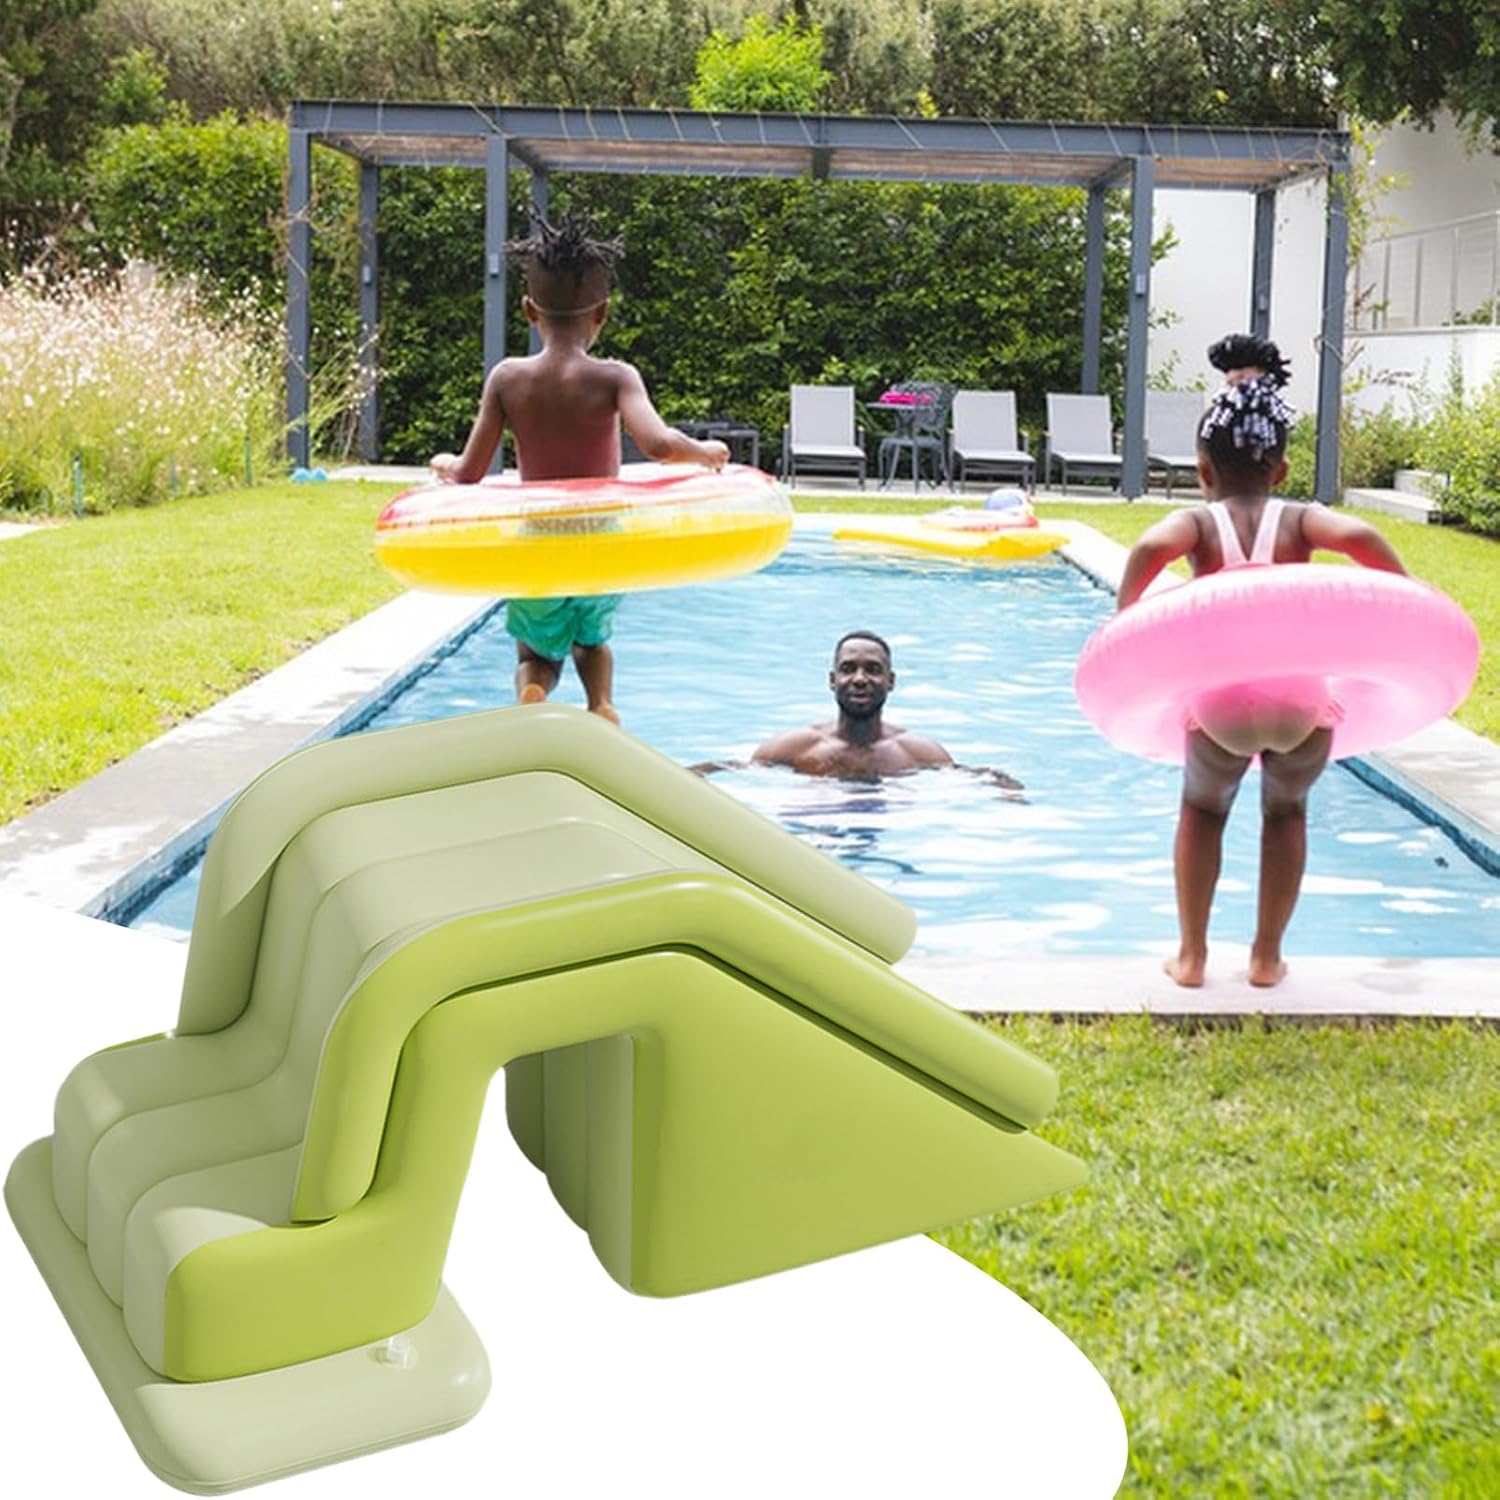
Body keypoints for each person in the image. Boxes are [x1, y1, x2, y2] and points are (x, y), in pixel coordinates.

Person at [1116, 334, 1408, 990]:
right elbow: (1362, 536)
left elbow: (1148, 546)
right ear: (1281, 470)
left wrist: (1125, 620)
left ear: (1202, 470)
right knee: (1286, 812)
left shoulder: (1198, 525)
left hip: (1220, 705)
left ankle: (1192, 956)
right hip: (1300, 704)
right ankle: (1267, 958)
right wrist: (1405, 600)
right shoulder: (1299, 519)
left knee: (1203, 810)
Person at [429, 213, 729, 723]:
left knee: (535, 650)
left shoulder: (507, 378)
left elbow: (469, 472)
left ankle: (534, 691)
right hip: (600, 538)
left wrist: (444, 464)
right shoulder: (616, 377)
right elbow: (658, 444)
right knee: (592, 640)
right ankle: (601, 703)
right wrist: (704, 451)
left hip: (538, 539)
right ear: (603, 312)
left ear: (528, 309)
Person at [694, 631, 1023, 788]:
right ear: (832, 680)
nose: (860, 679)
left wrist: (1006, 788)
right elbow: (739, 770)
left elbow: (965, 779)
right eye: (848, 669)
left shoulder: (918, 753)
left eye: (873, 670)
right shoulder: (793, 748)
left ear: (891, 681)